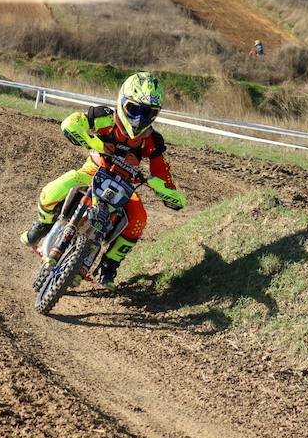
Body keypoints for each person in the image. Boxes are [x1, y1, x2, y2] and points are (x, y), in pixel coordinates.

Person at [21, 72, 186, 288]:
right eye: (134, 109)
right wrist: (94, 143)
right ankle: (43, 224)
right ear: (122, 102)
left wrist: (166, 189)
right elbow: (71, 123)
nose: (139, 118)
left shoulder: (152, 140)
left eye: (147, 113)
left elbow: (163, 174)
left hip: (125, 186)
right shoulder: (105, 117)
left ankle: (109, 265)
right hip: (93, 171)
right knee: (56, 188)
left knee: (139, 218)